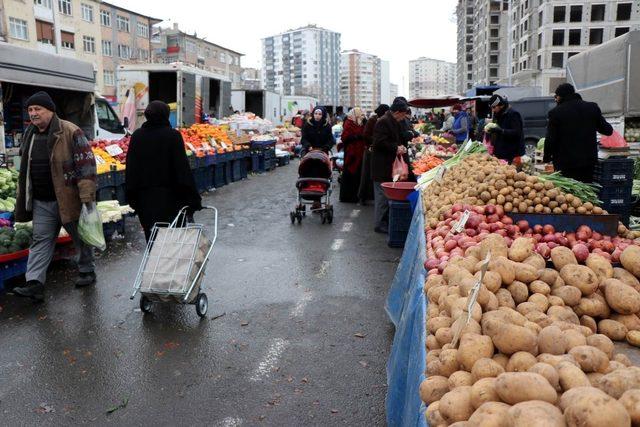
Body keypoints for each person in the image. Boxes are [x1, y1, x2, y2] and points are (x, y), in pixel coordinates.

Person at [13, 91, 97, 301]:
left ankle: (86, 269)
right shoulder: (29, 134)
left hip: (69, 198)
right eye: (30, 109)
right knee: (40, 240)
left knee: (81, 238)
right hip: (42, 201)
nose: (33, 113)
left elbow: (86, 164)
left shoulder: (70, 131)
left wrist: (87, 198)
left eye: (38, 109)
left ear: (50, 110)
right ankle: (34, 283)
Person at [126, 101, 202, 242]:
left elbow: (131, 169)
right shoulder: (173, 136)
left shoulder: (137, 136)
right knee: (172, 244)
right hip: (171, 200)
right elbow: (182, 170)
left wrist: (132, 199)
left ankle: (154, 264)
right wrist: (193, 200)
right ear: (165, 115)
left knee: (153, 241)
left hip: (145, 201)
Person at [543, 83, 613, 183]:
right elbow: (607, 130)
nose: (555, 99)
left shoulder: (556, 112)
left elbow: (551, 139)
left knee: (567, 194)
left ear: (561, 96)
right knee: (586, 189)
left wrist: (546, 157)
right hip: (588, 161)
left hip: (565, 163)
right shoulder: (592, 107)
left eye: (556, 96)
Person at [370, 98, 409, 234]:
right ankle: (379, 224)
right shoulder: (383, 122)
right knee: (381, 196)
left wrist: (400, 146)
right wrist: (395, 148)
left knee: (385, 196)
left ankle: (383, 221)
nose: (404, 117)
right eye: (404, 114)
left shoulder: (392, 121)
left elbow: (393, 140)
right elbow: (379, 143)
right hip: (381, 165)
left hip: (387, 164)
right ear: (398, 112)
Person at [360, 104, 389, 204]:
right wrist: (376, 141)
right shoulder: (372, 120)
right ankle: (362, 197)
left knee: (373, 176)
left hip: (376, 150)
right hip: (370, 150)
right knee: (366, 174)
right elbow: (366, 135)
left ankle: (370, 197)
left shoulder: (382, 120)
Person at [485, 94, 525, 164]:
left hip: (512, 154)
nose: (493, 110)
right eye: (492, 108)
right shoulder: (498, 114)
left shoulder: (513, 114)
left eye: (494, 107)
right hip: (501, 153)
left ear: (501, 105)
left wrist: (501, 131)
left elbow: (517, 132)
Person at [339, 108, 366, 203]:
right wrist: (356, 137)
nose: (363, 116)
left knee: (357, 174)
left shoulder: (360, 123)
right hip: (351, 153)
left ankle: (356, 196)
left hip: (359, 152)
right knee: (349, 174)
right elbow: (344, 137)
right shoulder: (349, 122)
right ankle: (347, 197)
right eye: (361, 114)